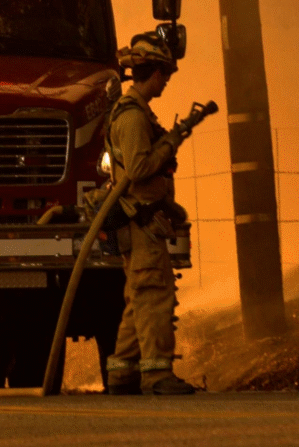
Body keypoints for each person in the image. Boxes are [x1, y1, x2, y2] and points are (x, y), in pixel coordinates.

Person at [103, 33, 208, 396]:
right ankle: (157, 375)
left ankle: (122, 373)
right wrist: (170, 143)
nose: (166, 82)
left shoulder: (135, 112)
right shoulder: (132, 118)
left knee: (139, 296)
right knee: (154, 296)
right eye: (164, 74)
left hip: (143, 222)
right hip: (142, 222)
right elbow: (138, 168)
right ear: (152, 72)